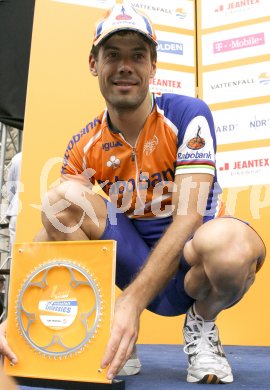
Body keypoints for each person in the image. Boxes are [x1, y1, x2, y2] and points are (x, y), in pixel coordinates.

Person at [0, 4, 266, 384]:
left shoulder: (189, 115)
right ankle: (117, 334)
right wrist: (11, 316)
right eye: (113, 55)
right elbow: (54, 232)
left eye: (137, 56)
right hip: (132, 262)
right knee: (60, 201)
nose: (125, 66)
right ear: (94, 63)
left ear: (152, 67)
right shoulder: (85, 143)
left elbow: (189, 217)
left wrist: (131, 302)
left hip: (194, 268)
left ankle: (202, 323)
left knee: (232, 246)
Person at [6, 152, 22, 248]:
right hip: (43, 212)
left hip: (17, 209)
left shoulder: (18, 157)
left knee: (16, 254)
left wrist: (11, 206)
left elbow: (11, 188)